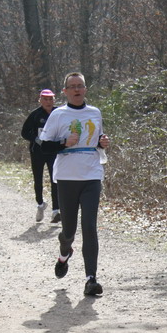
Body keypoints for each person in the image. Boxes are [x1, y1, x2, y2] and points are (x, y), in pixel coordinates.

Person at [39, 72, 110, 296]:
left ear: (85, 89)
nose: (77, 89)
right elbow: (44, 146)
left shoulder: (94, 112)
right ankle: (64, 253)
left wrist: (102, 142)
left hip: (91, 175)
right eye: (73, 86)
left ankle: (91, 279)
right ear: (65, 91)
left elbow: (97, 140)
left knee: (89, 226)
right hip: (67, 177)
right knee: (68, 231)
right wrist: (63, 142)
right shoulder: (58, 115)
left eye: (80, 86)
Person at [21, 88, 60, 223]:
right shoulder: (35, 115)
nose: (48, 102)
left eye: (50, 99)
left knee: (55, 179)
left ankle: (56, 210)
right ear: (40, 100)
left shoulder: (59, 113)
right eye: (45, 99)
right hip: (37, 152)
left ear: (54, 100)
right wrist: (36, 139)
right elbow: (24, 132)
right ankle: (40, 204)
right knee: (38, 179)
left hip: (53, 151)